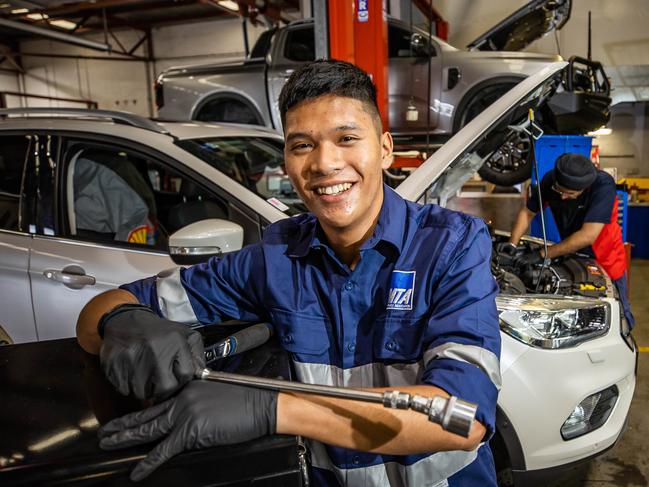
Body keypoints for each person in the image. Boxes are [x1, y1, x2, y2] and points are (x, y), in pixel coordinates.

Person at [76, 60, 501, 486]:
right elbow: (96, 313)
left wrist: (270, 409)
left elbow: (462, 418)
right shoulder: (275, 258)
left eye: (347, 138)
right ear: (287, 160)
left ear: (385, 148)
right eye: (302, 146)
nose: (324, 163)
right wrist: (124, 321)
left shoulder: (453, 245)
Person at [508, 152, 634, 328]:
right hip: (573, 256)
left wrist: (542, 254)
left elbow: (588, 235)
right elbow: (528, 212)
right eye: (559, 190)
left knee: (618, 314)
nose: (563, 197)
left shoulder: (603, 185)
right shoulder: (550, 180)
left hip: (607, 260)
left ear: (585, 188)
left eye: (570, 193)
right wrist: (512, 245)